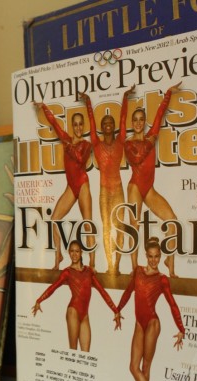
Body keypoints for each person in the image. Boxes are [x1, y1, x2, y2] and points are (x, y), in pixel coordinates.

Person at [124, 83, 181, 276]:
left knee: (172, 220)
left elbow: (159, 115)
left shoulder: (151, 135)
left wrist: (168, 94)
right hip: (134, 188)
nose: (139, 123)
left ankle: (170, 268)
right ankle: (133, 267)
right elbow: (137, 158)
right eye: (136, 120)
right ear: (132, 123)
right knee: (135, 225)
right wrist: (149, 141)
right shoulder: (129, 143)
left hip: (149, 188)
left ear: (144, 121)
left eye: (142, 119)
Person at [34, 102, 95, 269]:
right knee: (54, 220)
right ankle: (58, 256)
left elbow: (81, 159)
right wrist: (43, 107)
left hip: (82, 184)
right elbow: (54, 122)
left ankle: (92, 263)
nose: (77, 127)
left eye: (80, 124)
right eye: (74, 124)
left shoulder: (86, 145)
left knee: (88, 223)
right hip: (71, 186)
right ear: (72, 126)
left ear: (83, 126)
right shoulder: (67, 140)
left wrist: (69, 145)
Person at [31, 240, 122, 352]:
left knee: (85, 355)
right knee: (73, 351)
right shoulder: (67, 272)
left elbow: (102, 291)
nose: (74, 254)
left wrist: (115, 310)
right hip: (73, 311)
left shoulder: (88, 271)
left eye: (77, 251)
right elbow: (53, 287)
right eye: (72, 251)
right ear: (69, 253)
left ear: (81, 252)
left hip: (85, 316)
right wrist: (39, 300)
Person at [117, 236, 184, 381]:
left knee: (146, 367)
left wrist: (181, 329)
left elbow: (172, 304)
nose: (154, 260)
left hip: (153, 324)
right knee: (134, 367)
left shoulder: (162, 279)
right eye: (151, 256)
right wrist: (118, 309)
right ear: (146, 256)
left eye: (157, 257)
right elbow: (128, 292)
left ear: (160, 257)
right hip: (139, 323)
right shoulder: (138, 271)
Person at [80, 90, 127, 274]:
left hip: (118, 189)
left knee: (121, 227)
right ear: (102, 127)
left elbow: (124, 120)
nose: (108, 124)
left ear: (114, 127)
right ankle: (109, 265)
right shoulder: (96, 144)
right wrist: (88, 104)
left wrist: (125, 97)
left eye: (111, 122)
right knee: (107, 227)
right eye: (105, 123)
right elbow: (91, 123)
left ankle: (117, 265)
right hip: (104, 191)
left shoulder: (121, 141)